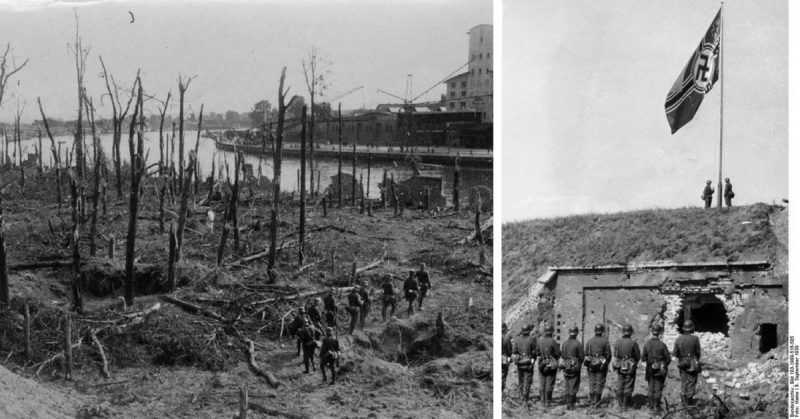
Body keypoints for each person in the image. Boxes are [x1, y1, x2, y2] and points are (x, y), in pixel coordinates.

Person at [642, 324, 671, 414]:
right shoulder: (662, 345)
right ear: (659, 333)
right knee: (658, 389)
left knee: (650, 389)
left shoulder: (647, 344)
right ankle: (656, 408)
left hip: (650, 369)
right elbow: (668, 359)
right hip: (660, 370)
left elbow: (643, 358)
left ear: (652, 332)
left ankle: (651, 408)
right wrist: (662, 365)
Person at [673, 319, 702, 408]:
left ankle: (683, 403)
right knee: (691, 382)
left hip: (682, 363)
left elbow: (675, 353)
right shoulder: (695, 338)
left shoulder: (678, 339)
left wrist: (683, 357)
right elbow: (698, 352)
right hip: (692, 363)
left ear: (683, 328)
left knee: (683, 382)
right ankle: (689, 404)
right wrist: (695, 359)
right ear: (691, 328)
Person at [613, 323, 641, 412]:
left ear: (623, 332)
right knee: (629, 384)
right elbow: (638, 356)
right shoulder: (633, 343)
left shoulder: (617, 342)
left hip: (620, 365)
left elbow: (615, 354)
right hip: (630, 365)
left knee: (620, 383)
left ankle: (620, 404)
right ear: (631, 332)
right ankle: (625, 406)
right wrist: (633, 362)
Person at [584, 323, 611, 409]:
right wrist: (604, 363)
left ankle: (592, 402)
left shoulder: (589, 341)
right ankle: (597, 403)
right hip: (601, 366)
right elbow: (608, 355)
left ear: (595, 331)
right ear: (602, 331)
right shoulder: (605, 341)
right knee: (599, 384)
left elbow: (586, 353)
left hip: (591, 365)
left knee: (592, 383)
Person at [560, 326, 585, 410]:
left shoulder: (564, 343)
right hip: (575, 367)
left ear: (569, 333)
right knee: (574, 385)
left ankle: (567, 403)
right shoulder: (578, 344)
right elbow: (581, 357)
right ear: (577, 333)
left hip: (565, 366)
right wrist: (577, 363)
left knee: (567, 385)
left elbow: (563, 355)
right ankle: (572, 404)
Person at [512, 325, 537, 406]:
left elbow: (514, 351)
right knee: (527, 381)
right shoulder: (532, 339)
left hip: (520, 363)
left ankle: (521, 398)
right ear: (529, 331)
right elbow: (536, 351)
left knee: (521, 380)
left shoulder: (517, 339)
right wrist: (533, 359)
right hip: (528, 363)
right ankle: (525, 400)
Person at [537, 324, 561, 409]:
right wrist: (553, 358)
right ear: (552, 332)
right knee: (549, 383)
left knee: (542, 383)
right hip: (550, 365)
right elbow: (558, 354)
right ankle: (548, 403)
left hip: (541, 364)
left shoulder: (540, 341)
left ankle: (542, 402)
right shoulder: (553, 341)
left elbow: (536, 353)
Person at [501, 323, 513, 394]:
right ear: (504, 329)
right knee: (503, 376)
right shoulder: (506, 338)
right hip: (503, 359)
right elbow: (510, 351)